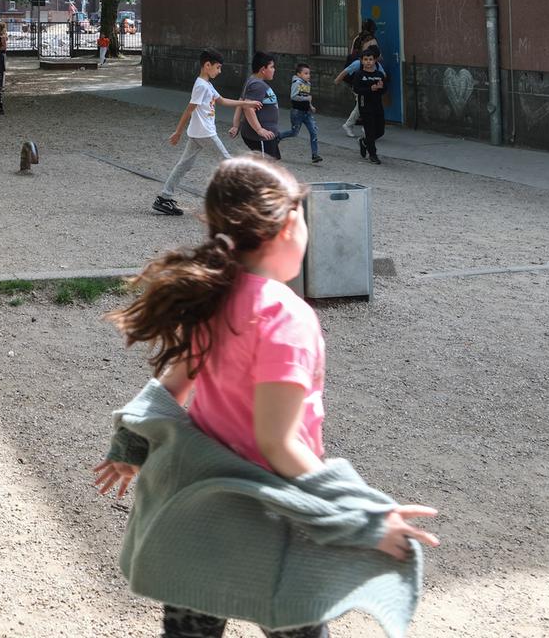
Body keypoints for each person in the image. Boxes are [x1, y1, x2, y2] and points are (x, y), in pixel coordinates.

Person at [96, 157, 436, 638]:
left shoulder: (215, 296)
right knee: (295, 624)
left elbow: (170, 390)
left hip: (203, 514)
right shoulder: (286, 317)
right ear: (284, 224)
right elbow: (276, 445)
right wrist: (365, 517)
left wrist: (129, 448)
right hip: (274, 514)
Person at [152, 50, 263, 217]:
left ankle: (163, 198)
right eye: (218, 67)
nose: (219, 71)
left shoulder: (207, 85)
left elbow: (222, 100)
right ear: (207, 65)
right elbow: (189, 110)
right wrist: (177, 132)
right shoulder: (201, 86)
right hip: (205, 133)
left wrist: (247, 103)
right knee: (229, 163)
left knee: (184, 165)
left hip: (198, 133)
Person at [346, 48, 389, 165]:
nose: (369, 62)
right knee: (369, 130)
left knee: (380, 131)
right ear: (362, 61)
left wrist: (381, 88)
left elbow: (384, 89)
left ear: (375, 61)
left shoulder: (379, 74)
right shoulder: (359, 74)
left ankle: (364, 141)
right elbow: (356, 89)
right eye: (366, 59)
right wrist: (370, 88)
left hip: (377, 105)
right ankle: (373, 154)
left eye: (371, 59)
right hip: (365, 105)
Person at [274, 63, 323, 164]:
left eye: (309, 73)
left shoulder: (308, 84)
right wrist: (306, 98)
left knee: (313, 132)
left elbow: (307, 97)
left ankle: (315, 155)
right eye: (305, 73)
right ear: (299, 74)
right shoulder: (296, 83)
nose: (308, 75)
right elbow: (294, 96)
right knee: (294, 132)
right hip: (297, 112)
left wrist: (311, 106)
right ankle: (278, 136)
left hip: (307, 113)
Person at [237, 54, 283, 159]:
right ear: (263, 69)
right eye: (271, 67)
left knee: (269, 165)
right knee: (266, 167)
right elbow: (247, 107)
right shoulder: (257, 85)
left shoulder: (253, 81)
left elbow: (241, 101)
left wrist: (236, 125)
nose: (274, 70)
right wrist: (259, 130)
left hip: (267, 134)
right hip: (261, 137)